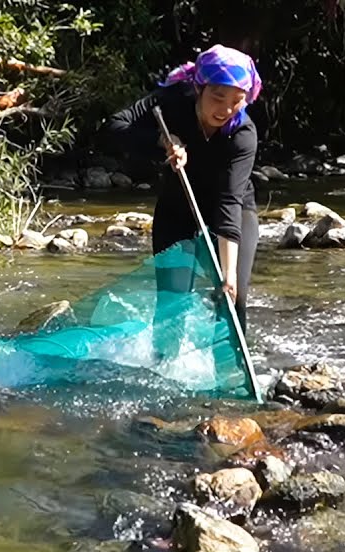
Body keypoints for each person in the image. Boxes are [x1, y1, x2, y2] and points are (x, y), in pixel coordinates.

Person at [104, 44, 262, 335]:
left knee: (233, 298)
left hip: (231, 211)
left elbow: (230, 201)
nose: (226, 110)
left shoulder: (242, 134)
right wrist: (163, 139)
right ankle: (165, 367)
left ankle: (229, 372)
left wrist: (227, 277)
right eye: (218, 98)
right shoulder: (172, 101)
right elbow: (117, 125)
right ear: (199, 89)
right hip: (177, 209)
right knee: (171, 304)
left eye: (237, 101)